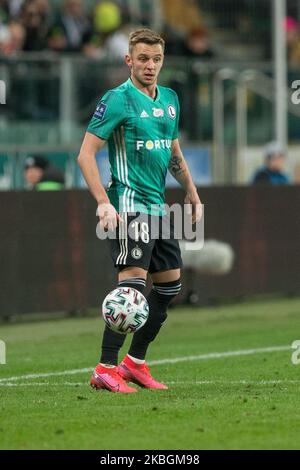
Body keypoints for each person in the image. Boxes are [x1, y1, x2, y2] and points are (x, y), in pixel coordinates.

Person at [78, 28, 202, 394]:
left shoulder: (170, 99)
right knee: (130, 292)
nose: (150, 66)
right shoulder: (117, 100)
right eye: (143, 59)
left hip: (159, 209)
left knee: (169, 288)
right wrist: (103, 202)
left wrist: (192, 191)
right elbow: (86, 154)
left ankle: (135, 363)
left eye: (157, 59)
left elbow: (172, 148)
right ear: (128, 60)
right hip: (129, 207)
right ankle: (105, 367)